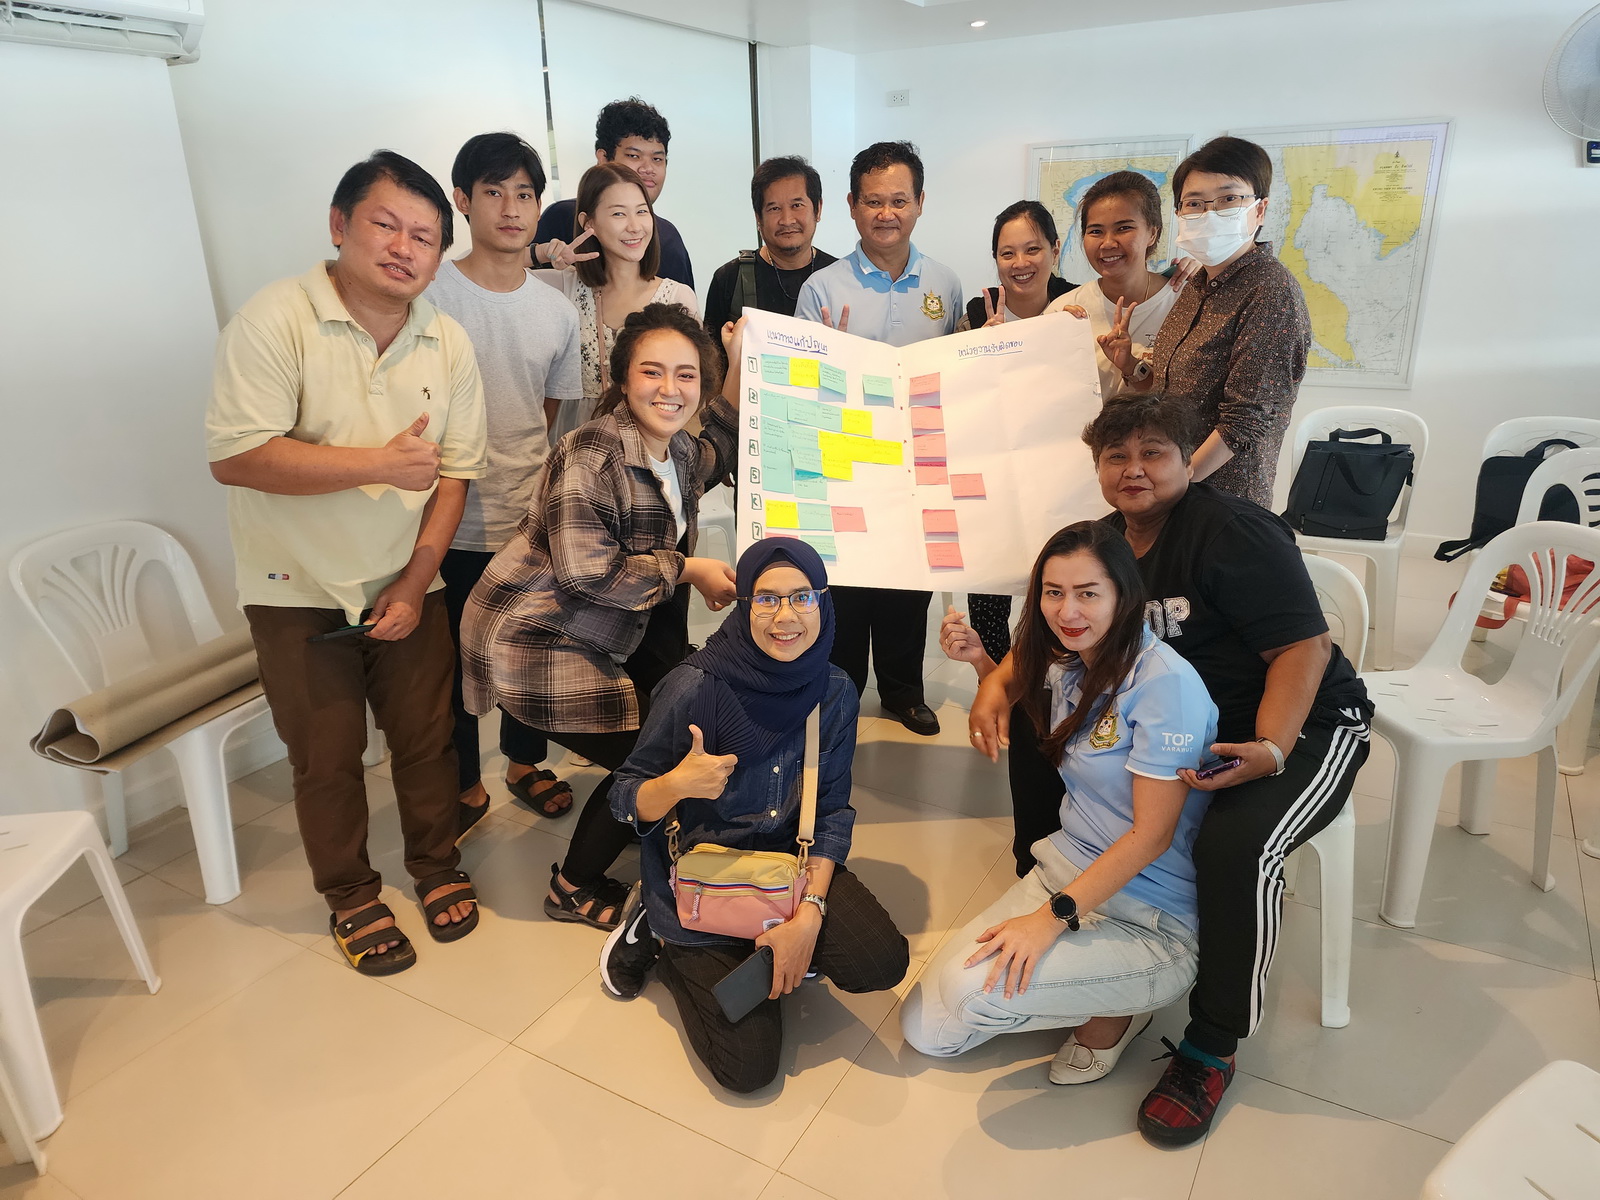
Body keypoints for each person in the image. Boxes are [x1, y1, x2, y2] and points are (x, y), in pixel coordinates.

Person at [961, 395, 1372, 1147]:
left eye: (1153, 452)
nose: (1134, 469)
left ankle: (1210, 1046)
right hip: (1183, 723)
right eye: (1116, 456)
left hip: (1302, 724)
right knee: (1036, 734)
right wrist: (998, 686)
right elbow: (1055, 636)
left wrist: (1271, 747)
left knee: (1236, 844)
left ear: (1189, 459)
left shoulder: (1234, 531)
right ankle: (1056, 898)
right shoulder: (1109, 541)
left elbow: (1305, 648)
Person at [205, 151, 487, 975]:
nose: (404, 248)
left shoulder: (446, 341)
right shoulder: (274, 320)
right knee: (325, 757)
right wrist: (377, 464)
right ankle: (352, 893)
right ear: (340, 225)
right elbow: (236, 456)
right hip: (295, 588)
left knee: (427, 740)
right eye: (385, 225)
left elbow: (455, 474)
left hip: (407, 577)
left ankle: (435, 864)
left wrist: (416, 580)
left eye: (424, 237)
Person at [903, 522, 1216, 1093]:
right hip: (1064, 869)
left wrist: (1049, 922)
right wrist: (983, 666)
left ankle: (1123, 1008)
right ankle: (1089, 983)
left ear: (1124, 595)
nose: (1067, 611)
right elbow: (1032, 716)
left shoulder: (1165, 686)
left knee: (969, 995)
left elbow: (1152, 835)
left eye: (1088, 593)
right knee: (927, 1031)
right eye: (1053, 592)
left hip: (1151, 915)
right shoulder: (1074, 661)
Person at [460, 303, 737, 931]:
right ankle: (573, 886)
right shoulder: (590, 453)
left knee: (686, 718)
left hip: (601, 635)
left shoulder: (678, 450)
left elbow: (718, 449)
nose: (670, 389)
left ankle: (654, 834)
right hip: (536, 639)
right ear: (622, 376)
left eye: (686, 375)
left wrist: (739, 362)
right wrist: (690, 568)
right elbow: (586, 572)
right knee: (657, 757)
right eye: (652, 372)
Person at [599, 539, 909, 1093]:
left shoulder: (834, 691)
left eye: (802, 597)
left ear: (823, 602)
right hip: (698, 880)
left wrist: (808, 916)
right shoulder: (692, 687)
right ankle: (657, 936)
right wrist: (675, 785)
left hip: (787, 873)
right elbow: (623, 798)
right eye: (766, 599)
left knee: (881, 962)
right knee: (749, 1070)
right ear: (743, 606)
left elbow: (832, 811)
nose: (785, 617)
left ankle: (765, 941)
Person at [424, 131, 583, 829]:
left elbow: (543, 412)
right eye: (494, 192)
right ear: (462, 200)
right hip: (446, 517)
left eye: (525, 194)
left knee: (530, 649)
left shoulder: (555, 309)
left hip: (527, 513)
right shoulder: (430, 294)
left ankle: (523, 762)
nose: (512, 208)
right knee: (453, 662)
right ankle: (464, 780)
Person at [795, 141, 962, 737]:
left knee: (908, 585)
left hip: (917, 466)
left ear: (919, 202)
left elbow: (953, 371)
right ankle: (840, 694)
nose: (885, 214)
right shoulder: (821, 288)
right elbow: (802, 382)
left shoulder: (944, 282)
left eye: (898, 200)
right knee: (845, 585)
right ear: (851, 205)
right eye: (872, 202)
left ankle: (903, 691)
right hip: (846, 465)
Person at [1101, 137, 1310, 508]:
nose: (1210, 213)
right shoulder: (1196, 286)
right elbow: (1173, 390)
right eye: (1195, 203)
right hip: (1175, 490)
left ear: (1259, 210)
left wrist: (1176, 482)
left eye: (1228, 199)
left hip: (1221, 501)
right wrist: (1131, 366)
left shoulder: (1271, 291)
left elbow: (1246, 421)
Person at [534, 161, 699, 446]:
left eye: (642, 211)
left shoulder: (677, 297)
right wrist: (541, 253)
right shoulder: (562, 287)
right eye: (619, 213)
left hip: (648, 447)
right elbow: (489, 273)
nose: (635, 226)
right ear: (588, 223)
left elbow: (691, 386)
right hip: (574, 448)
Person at [701, 155, 837, 399]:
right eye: (774, 208)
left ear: (818, 209)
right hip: (746, 415)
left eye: (797, 205)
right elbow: (711, 371)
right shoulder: (729, 279)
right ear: (758, 218)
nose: (787, 220)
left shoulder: (839, 276)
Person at [1045, 171, 1184, 403]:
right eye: (1095, 231)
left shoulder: (1186, 304)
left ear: (1152, 233)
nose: (1108, 243)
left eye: (1123, 228)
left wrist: (1132, 365)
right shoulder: (1063, 312)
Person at [531, 97, 693, 289]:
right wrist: (541, 254)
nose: (648, 168)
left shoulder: (669, 239)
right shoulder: (562, 217)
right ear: (603, 158)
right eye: (634, 156)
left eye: (657, 159)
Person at [954, 200, 1076, 333]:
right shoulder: (971, 325)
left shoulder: (1080, 307)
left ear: (1055, 252)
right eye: (1008, 253)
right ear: (996, 258)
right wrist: (981, 343)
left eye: (1032, 249)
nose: (1020, 263)